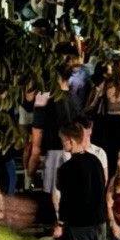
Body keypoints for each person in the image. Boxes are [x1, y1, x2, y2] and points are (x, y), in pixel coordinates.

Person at [28, 65, 78, 193]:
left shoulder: (43, 96)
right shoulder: (74, 98)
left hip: (54, 157)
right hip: (75, 155)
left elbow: (36, 141)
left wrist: (31, 173)